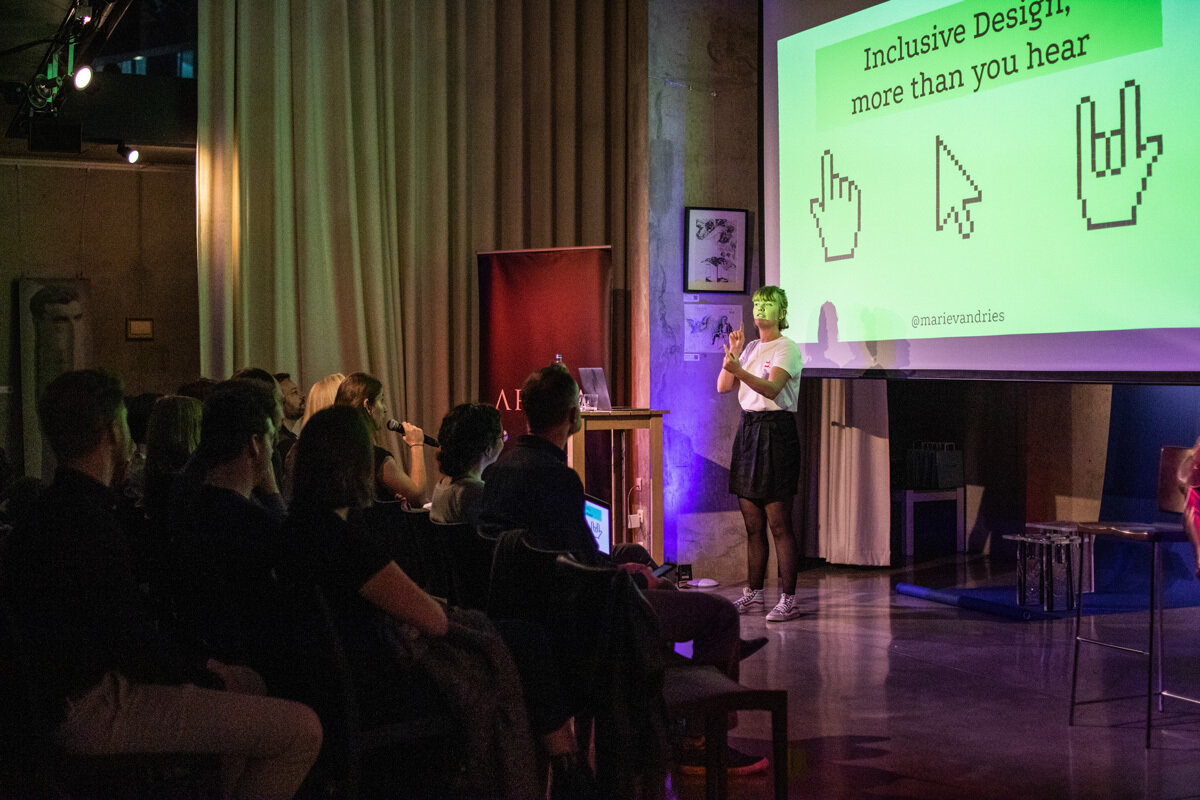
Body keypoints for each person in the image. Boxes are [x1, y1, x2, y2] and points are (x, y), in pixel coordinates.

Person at [0, 369, 322, 799]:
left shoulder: (46, 514)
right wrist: (206, 671)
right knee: (301, 730)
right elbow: (132, 645)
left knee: (249, 683)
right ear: (114, 431)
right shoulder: (91, 524)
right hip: (93, 706)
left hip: (60, 703)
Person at [481, 363, 767, 774]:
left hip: (531, 620)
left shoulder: (498, 472)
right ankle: (699, 741)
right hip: (582, 629)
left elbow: (553, 554)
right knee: (720, 614)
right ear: (571, 416)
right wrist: (628, 574)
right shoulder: (556, 477)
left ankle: (697, 686)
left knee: (653, 580)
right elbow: (581, 570)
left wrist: (621, 564)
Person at [280, 406, 548, 798]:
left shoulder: (293, 530)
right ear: (356, 466)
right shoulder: (344, 543)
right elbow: (434, 621)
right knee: (527, 641)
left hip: (336, 690)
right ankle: (555, 769)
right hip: (381, 690)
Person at [169, 379, 288, 682]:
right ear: (254, 444)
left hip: (202, 665)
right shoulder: (255, 526)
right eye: (271, 439)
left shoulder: (184, 511)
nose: (273, 449)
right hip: (256, 672)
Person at [717, 285, 804, 622]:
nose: (759, 309)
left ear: (781, 312)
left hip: (777, 433)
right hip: (749, 430)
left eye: (768, 304)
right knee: (752, 523)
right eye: (756, 303)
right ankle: (752, 593)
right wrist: (734, 359)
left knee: (779, 523)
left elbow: (771, 388)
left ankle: (789, 598)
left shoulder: (788, 348)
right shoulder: (751, 346)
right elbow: (724, 387)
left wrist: (740, 371)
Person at [334, 372, 428, 505]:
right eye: (381, 400)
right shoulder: (374, 458)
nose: (385, 409)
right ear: (367, 406)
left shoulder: (331, 451)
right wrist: (417, 445)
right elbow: (417, 497)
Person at [430, 403, 504, 525]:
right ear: (488, 448)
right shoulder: (475, 493)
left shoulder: (443, 484)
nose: (503, 441)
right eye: (502, 436)